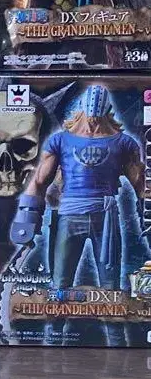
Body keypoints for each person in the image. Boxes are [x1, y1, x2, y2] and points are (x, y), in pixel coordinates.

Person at [10, 85, 145, 345]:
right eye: (90, 114)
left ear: (106, 110)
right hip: (69, 216)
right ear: (83, 109)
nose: (93, 121)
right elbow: (39, 181)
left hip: (105, 218)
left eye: (97, 115)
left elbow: (141, 186)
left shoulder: (123, 142)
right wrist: (26, 219)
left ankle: (116, 341)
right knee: (60, 284)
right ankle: (53, 338)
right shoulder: (61, 140)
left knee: (110, 287)